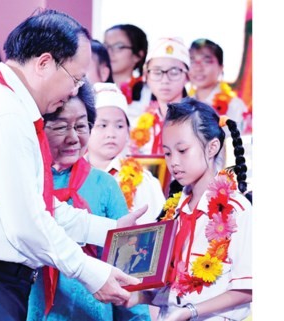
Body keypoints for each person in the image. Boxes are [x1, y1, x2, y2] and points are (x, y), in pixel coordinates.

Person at [0, 9, 148, 321]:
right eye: (75, 78)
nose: (75, 91)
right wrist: (90, 272)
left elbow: (41, 208)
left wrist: (109, 230)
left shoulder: (4, 104)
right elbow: (27, 225)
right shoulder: (4, 114)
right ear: (45, 63)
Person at [27, 83, 150, 321]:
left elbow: (127, 264)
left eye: (82, 126)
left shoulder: (104, 185)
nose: (73, 137)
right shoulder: (28, 181)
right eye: (62, 126)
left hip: (94, 312)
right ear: (40, 130)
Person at [126, 97, 252, 321]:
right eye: (167, 153)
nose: (173, 161)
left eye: (182, 150)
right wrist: (140, 297)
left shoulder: (238, 210)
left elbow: (247, 289)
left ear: (212, 146)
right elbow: (174, 288)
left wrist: (190, 311)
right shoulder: (172, 211)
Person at [87, 82, 165, 224]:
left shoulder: (144, 182)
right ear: (85, 129)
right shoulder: (70, 175)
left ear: (128, 133)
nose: (111, 134)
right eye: (102, 125)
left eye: (119, 126)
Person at [130, 37, 190, 155]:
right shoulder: (136, 124)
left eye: (174, 72)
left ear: (187, 76)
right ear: (146, 76)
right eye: (157, 72)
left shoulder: (199, 121)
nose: (165, 80)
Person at [187, 38, 248, 133]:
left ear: (221, 67)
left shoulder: (235, 106)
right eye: (192, 61)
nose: (198, 68)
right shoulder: (184, 104)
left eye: (206, 61)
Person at [104, 24, 152, 124]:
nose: (109, 52)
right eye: (106, 46)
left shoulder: (149, 92)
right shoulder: (95, 89)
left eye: (119, 46)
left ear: (138, 55)